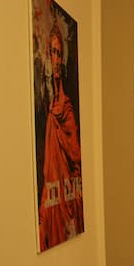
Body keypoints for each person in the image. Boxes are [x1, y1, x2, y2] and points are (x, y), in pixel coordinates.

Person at [38, 20, 84, 252]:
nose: (55, 59)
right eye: (52, 53)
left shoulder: (67, 109)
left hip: (66, 189)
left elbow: (76, 154)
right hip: (52, 187)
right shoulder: (48, 105)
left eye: (58, 53)